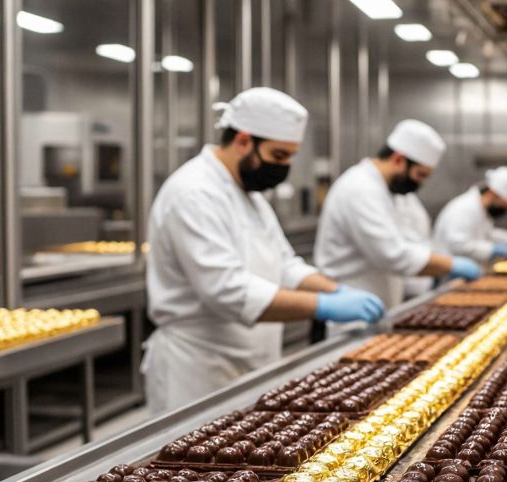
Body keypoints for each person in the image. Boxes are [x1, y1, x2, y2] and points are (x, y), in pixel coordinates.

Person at [144, 88, 385, 414]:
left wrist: (337, 289)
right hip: (199, 365)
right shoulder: (193, 192)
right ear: (243, 141)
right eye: (278, 156)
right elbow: (228, 291)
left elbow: (284, 265)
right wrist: (323, 305)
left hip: (250, 359)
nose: (283, 167)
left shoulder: (250, 195)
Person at [316, 119, 481, 308]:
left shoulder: (393, 192)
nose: (420, 184)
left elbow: (412, 240)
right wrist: (450, 265)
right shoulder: (359, 189)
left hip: (382, 300)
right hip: (349, 305)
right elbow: (391, 254)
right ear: (398, 160)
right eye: (420, 175)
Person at [431, 167, 507, 265]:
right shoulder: (464, 209)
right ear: (492, 193)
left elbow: (486, 234)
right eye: (506, 205)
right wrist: (494, 249)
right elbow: (459, 245)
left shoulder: (481, 209)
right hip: (452, 274)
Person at [393, 191, 435, 299]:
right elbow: (392, 251)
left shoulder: (409, 197)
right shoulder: (370, 192)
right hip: (405, 276)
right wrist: (451, 265)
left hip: (419, 277)